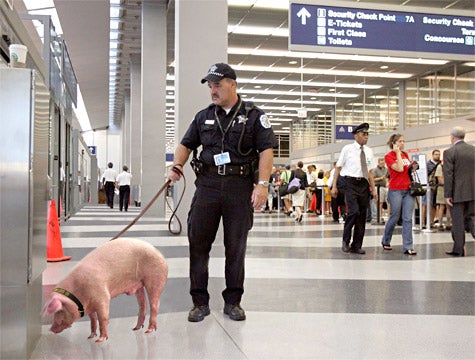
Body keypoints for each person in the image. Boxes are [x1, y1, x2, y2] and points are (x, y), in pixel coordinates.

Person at [167, 63, 278, 322]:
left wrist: (262, 184)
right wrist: (176, 165)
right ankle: (199, 302)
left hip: (239, 187)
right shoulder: (203, 116)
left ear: (232, 84)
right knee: (198, 244)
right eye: (210, 86)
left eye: (217, 85)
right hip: (207, 186)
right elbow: (185, 144)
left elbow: (266, 151)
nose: (213, 91)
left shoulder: (253, 116)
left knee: (235, 247)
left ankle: (233, 302)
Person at [331, 123, 377, 254]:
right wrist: (334, 186)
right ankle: (345, 241)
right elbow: (338, 168)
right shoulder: (347, 149)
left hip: (363, 184)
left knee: (362, 215)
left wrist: (373, 189)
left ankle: (357, 245)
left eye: (367, 134)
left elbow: (370, 172)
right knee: (353, 212)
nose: (366, 137)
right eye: (363, 134)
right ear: (356, 136)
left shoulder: (369, 151)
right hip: (350, 183)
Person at [381, 134, 419, 255]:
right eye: (400, 141)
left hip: (408, 189)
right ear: (394, 143)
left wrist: (413, 167)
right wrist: (397, 153)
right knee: (394, 216)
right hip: (395, 190)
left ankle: (408, 246)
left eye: (403, 141)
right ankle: (386, 240)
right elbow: (399, 169)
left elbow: (406, 170)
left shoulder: (405, 155)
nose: (402, 143)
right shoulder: (388, 156)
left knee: (407, 218)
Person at [443, 126, 475, 257]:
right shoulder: (473, 150)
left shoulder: (450, 152)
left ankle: (459, 249)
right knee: (472, 219)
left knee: (458, 221)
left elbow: (448, 175)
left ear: (452, 137)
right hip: (473, 191)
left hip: (457, 193)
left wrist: (448, 194)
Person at [421, 149, 440, 228]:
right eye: (436, 154)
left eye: (439, 154)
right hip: (429, 187)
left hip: (437, 186)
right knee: (425, 204)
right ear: (432, 155)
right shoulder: (428, 164)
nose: (437, 156)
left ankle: (431, 222)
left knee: (434, 205)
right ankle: (422, 222)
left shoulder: (440, 164)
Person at [433, 161, 451, 230]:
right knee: (442, 206)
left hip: (447, 188)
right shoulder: (440, 166)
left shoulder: (445, 166)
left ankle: (448, 223)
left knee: (448, 206)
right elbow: (440, 179)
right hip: (442, 189)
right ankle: (440, 223)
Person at [372, 158, 389, 223]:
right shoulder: (375, 170)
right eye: (381, 163)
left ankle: (388, 216)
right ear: (378, 163)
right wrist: (380, 178)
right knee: (380, 202)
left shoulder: (386, 169)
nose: (383, 164)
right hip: (378, 187)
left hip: (385, 187)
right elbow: (373, 179)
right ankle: (380, 216)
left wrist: (387, 182)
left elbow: (387, 177)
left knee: (388, 202)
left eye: (384, 163)